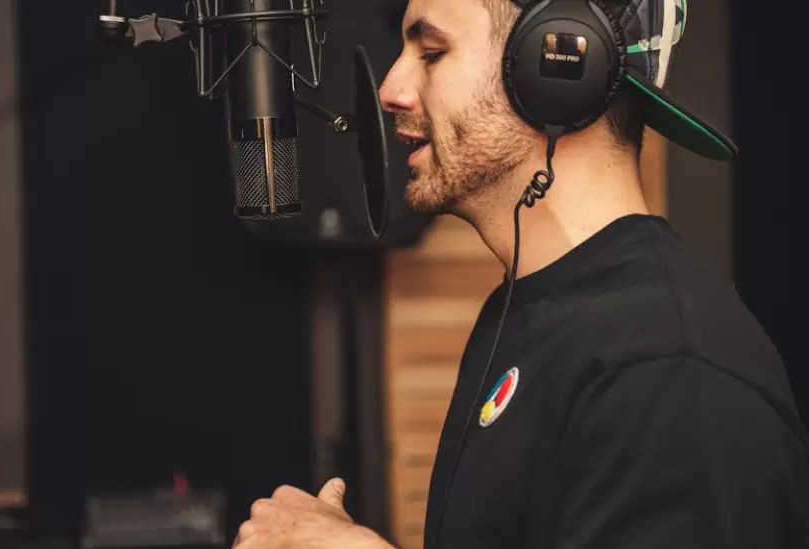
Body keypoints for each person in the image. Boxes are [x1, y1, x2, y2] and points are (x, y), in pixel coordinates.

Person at [231, 0, 809, 548]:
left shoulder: (668, 375)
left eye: (431, 52)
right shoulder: (524, 314)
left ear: (558, 63)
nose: (391, 89)